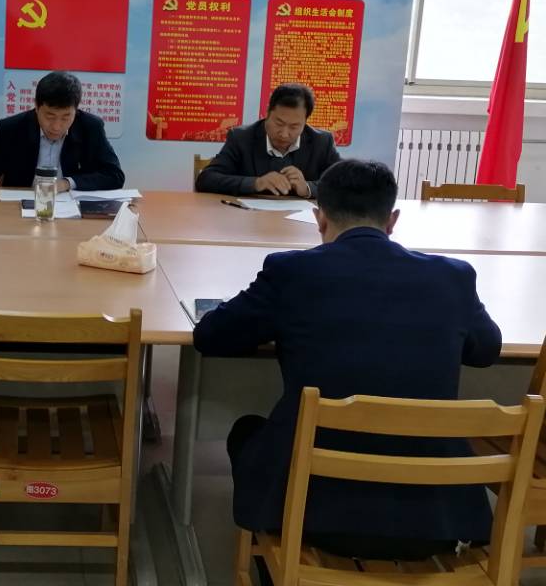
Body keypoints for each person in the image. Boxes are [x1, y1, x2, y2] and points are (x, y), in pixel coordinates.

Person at [194, 159, 501, 562]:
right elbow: (486, 350)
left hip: (308, 515)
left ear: (319, 218)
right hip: (435, 523)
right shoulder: (453, 277)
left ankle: (274, 562)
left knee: (247, 431)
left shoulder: (291, 272)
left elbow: (210, 336)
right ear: (392, 220)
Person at [0, 71, 125, 198]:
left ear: (76, 110)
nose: (56, 126)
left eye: (66, 117)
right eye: (50, 116)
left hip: (72, 213)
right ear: (36, 106)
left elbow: (115, 175)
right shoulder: (12, 128)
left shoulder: (90, 127)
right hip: (18, 210)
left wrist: (67, 183)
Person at [195, 83, 340, 197]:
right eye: (279, 123)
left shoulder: (322, 142)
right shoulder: (241, 138)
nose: (284, 134)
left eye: (294, 126)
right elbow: (206, 179)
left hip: (300, 224)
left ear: (305, 122)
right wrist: (256, 183)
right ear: (267, 113)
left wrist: (307, 188)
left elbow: (345, 185)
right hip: (250, 220)